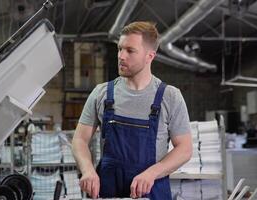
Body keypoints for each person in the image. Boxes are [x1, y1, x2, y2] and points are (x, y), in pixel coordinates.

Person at [72, 21, 192, 199]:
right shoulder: (101, 93)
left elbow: (185, 149)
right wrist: (88, 170)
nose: (121, 56)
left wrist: (152, 173)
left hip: (151, 191)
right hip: (108, 190)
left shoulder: (170, 97)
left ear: (150, 56)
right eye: (120, 49)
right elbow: (80, 140)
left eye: (130, 50)